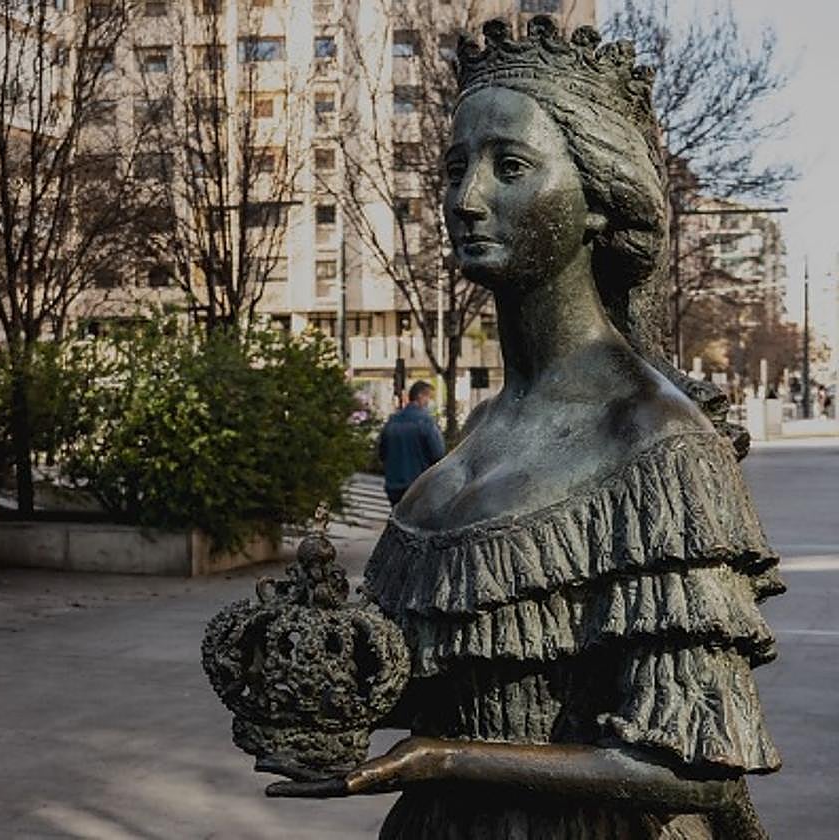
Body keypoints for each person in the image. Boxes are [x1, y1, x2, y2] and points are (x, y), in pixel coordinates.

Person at [269, 18, 780, 839]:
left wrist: (441, 760)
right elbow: (454, 674)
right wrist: (311, 677)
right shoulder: (476, 430)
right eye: (455, 167)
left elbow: (697, 770)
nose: (466, 199)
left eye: (510, 167)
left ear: (596, 203)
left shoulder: (657, 443)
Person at [377, 381, 445, 505]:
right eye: (428, 397)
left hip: (394, 485)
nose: (429, 402)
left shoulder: (392, 421)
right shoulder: (425, 421)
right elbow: (438, 453)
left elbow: (382, 452)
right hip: (418, 486)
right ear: (420, 396)